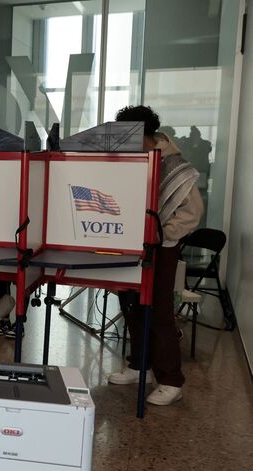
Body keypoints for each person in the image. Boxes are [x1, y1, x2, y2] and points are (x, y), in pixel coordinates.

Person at [108, 105, 203, 406]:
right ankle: (140, 366)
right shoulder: (132, 158)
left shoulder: (174, 165)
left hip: (161, 246)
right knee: (131, 304)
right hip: (131, 242)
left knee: (159, 308)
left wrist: (161, 232)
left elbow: (193, 213)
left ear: (142, 132)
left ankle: (171, 380)